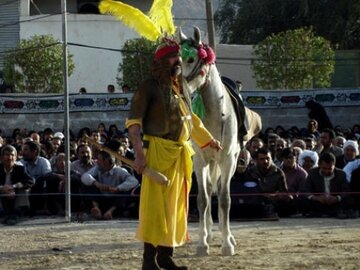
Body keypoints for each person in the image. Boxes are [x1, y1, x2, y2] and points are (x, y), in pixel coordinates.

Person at [125, 38, 222, 270]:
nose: (178, 61)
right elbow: (133, 124)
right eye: (172, 57)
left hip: (180, 155)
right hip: (157, 153)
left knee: (174, 208)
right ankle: (149, 261)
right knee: (155, 209)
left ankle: (165, 257)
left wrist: (208, 140)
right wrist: (139, 155)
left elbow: (192, 120)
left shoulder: (181, 88)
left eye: (178, 57)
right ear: (160, 62)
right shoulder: (148, 87)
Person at [81, 150, 139, 220]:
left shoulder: (120, 171)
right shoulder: (97, 168)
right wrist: (96, 183)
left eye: (99, 160)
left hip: (115, 202)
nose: (97, 162)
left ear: (105, 161)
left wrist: (118, 188)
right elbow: (85, 176)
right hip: (101, 199)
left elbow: (134, 181)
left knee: (124, 191)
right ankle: (96, 208)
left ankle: (110, 212)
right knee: (90, 184)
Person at [300, 152, 354, 218]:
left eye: (330, 169)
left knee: (349, 200)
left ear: (334, 165)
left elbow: (346, 191)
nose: (327, 171)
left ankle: (323, 212)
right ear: (319, 165)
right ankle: (329, 212)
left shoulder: (341, 174)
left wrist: (336, 198)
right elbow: (305, 190)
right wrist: (316, 198)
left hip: (334, 202)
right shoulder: (312, 173)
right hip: (318, 202)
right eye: (324, 168)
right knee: (302, 200)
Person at [244, 147, 292, 218]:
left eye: (267, 159)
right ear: (256, 160)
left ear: (271, 159)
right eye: (262, 159)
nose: (265, 161)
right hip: (256, 201)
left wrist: (273, 196)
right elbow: (246, 191)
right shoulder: (250, 172)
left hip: (273, 201)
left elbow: (284, 192)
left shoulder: (278, 172)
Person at [0, 145, 34, 225]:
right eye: (7, 155)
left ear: (16, 157)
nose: (10, 158)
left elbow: (30, 180)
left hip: (15, 194)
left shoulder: (20, 169)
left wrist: (14, 187)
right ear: (2, 157)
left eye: (12, 155)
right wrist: (2, 188)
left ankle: (14, 214)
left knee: (24, 189)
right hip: (1, 193)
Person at [20, 141, 52, 215]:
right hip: (27, 187)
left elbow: (48, 176)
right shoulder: (22, 162)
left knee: (43, 180)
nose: (22, 153)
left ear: (34, 152)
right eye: (22, 150)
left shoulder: (44, 162)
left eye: (25, 150)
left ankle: (46, 208)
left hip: (41, 187)